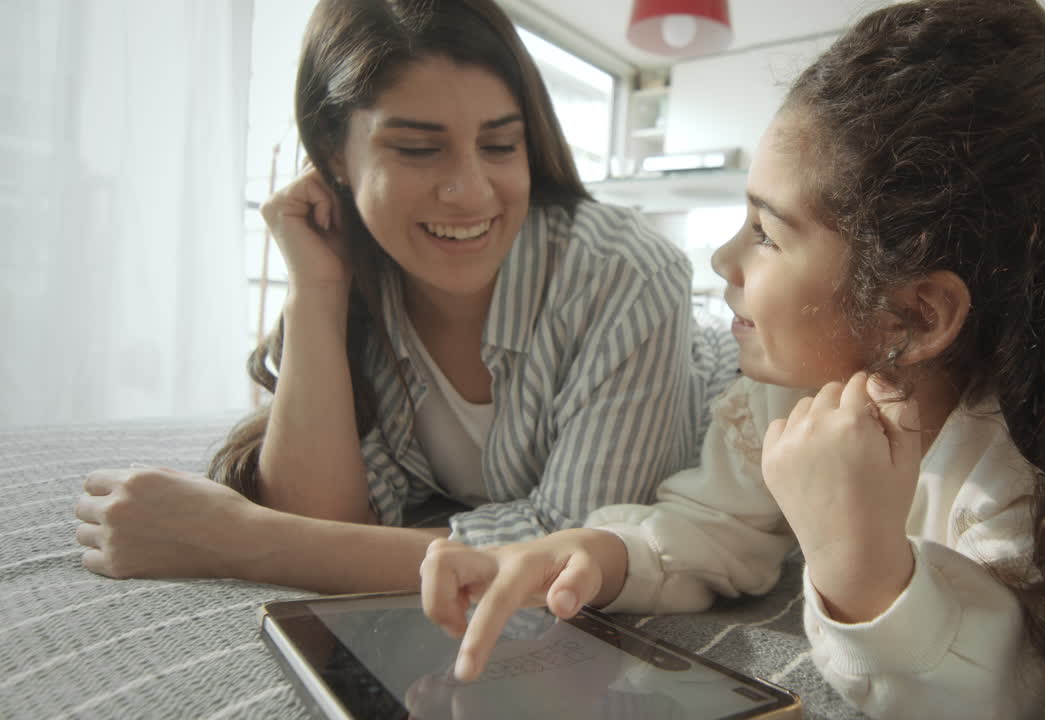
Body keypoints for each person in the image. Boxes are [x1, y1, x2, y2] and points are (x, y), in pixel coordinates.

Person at [416, 1, 1045, 717]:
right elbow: (718, 527)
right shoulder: (786, 388)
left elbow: (1040, 677)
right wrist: (598, 553)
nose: (722, 259)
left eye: (765, 232)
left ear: (914, 313)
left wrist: (860, 567)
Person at [71, 0, 737, 594]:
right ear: (334, 151)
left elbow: (570, 557)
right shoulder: (364, 271)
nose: (470, 192)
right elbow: (320, 520)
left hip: (726, 399)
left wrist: (237, 538)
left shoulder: (628, 274)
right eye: (419, 149)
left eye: (501, 145)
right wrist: (316, 291)